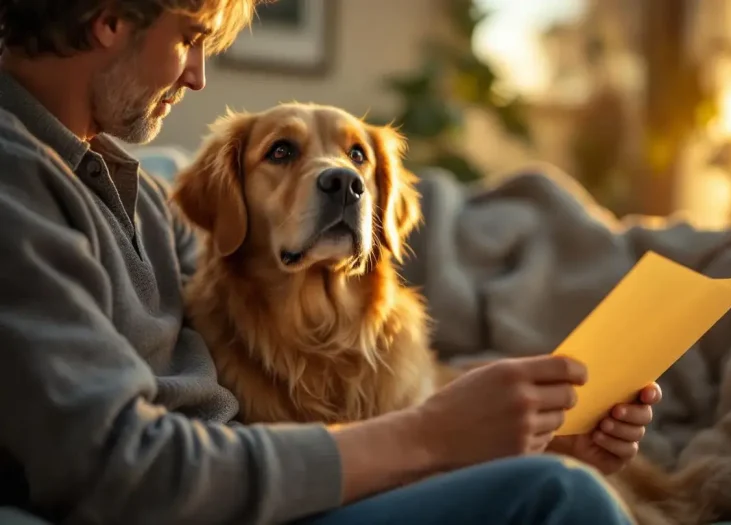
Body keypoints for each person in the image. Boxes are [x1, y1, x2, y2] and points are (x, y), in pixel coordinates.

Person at [0, 1, 662, 524]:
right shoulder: (16, 185)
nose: (199, 75)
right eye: (189, 37)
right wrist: (432, 435)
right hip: (225, 499)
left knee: (556, 475)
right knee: (555, 499)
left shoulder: (129, 188)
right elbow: (127, 471)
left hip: (277, 480)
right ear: (111, 19)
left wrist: (529, 438)